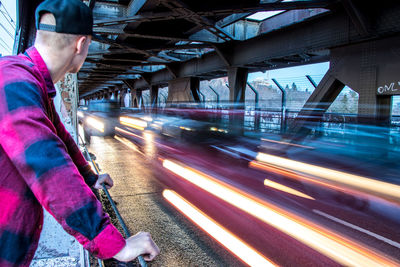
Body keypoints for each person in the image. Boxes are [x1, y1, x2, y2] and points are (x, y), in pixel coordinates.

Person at [0, 0, 159, 266]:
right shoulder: (12, 81)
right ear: (81, 44)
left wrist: (89, 176)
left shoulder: (30, 83)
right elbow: (46, 162)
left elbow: (57, 136)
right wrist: (115, 245)